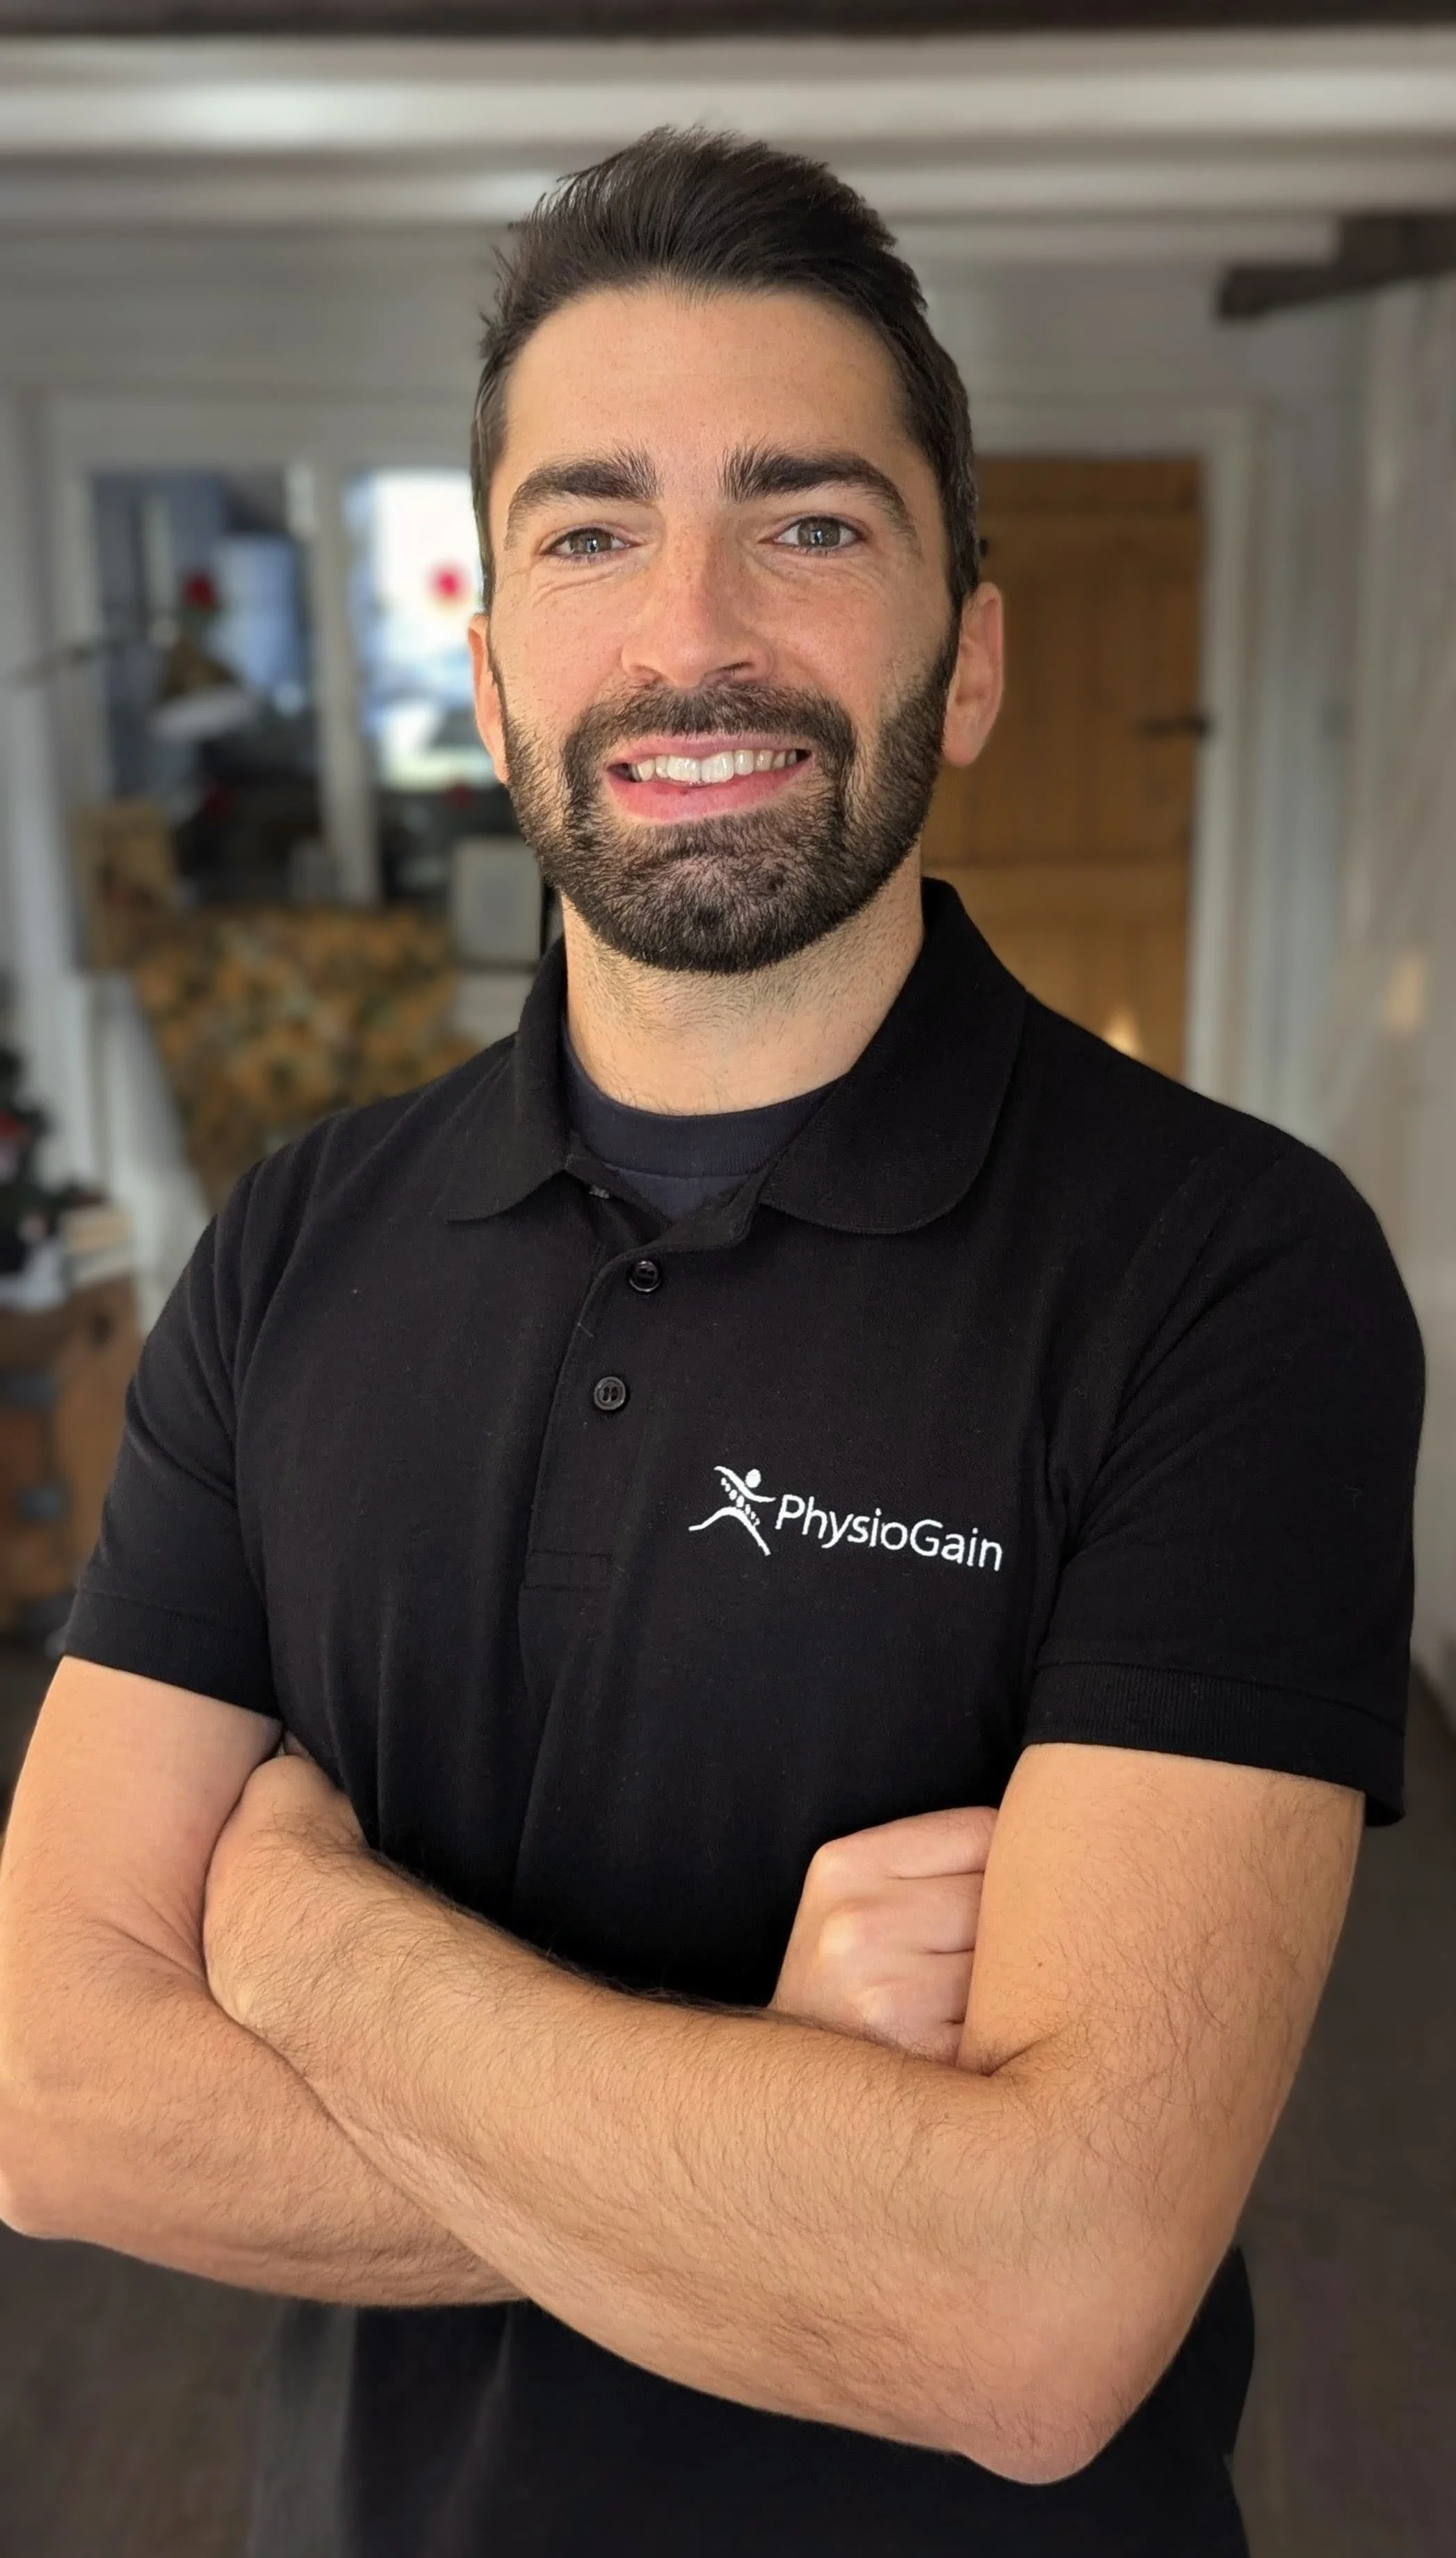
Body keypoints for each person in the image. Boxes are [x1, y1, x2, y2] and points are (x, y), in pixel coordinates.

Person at [0, 131, 1423, 2558]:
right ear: (485, 667)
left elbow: (1037, 2312)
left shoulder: (1230, 1273)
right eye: (584, 530)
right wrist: (782, 2117)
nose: (691, 633)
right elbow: (48, 2087)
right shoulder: (295, 1244)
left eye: (808, 520)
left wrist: (308, 1933)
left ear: (965, 653)